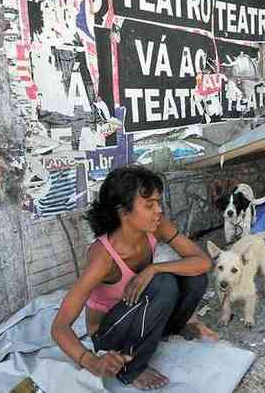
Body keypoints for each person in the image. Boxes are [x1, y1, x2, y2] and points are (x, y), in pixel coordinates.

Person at [51, 166, 215, 390]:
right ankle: (131, 368)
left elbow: (203, 262)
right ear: (123, 212)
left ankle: (170, 329)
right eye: (149, 205)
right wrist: (91, 361)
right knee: (164, 283)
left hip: (142, 312)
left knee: (194, 278)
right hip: (108, 333)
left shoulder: (156, 227)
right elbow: (59, 326)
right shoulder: (103, 257)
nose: (158, 211)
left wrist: (154, 268)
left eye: (158, 203)